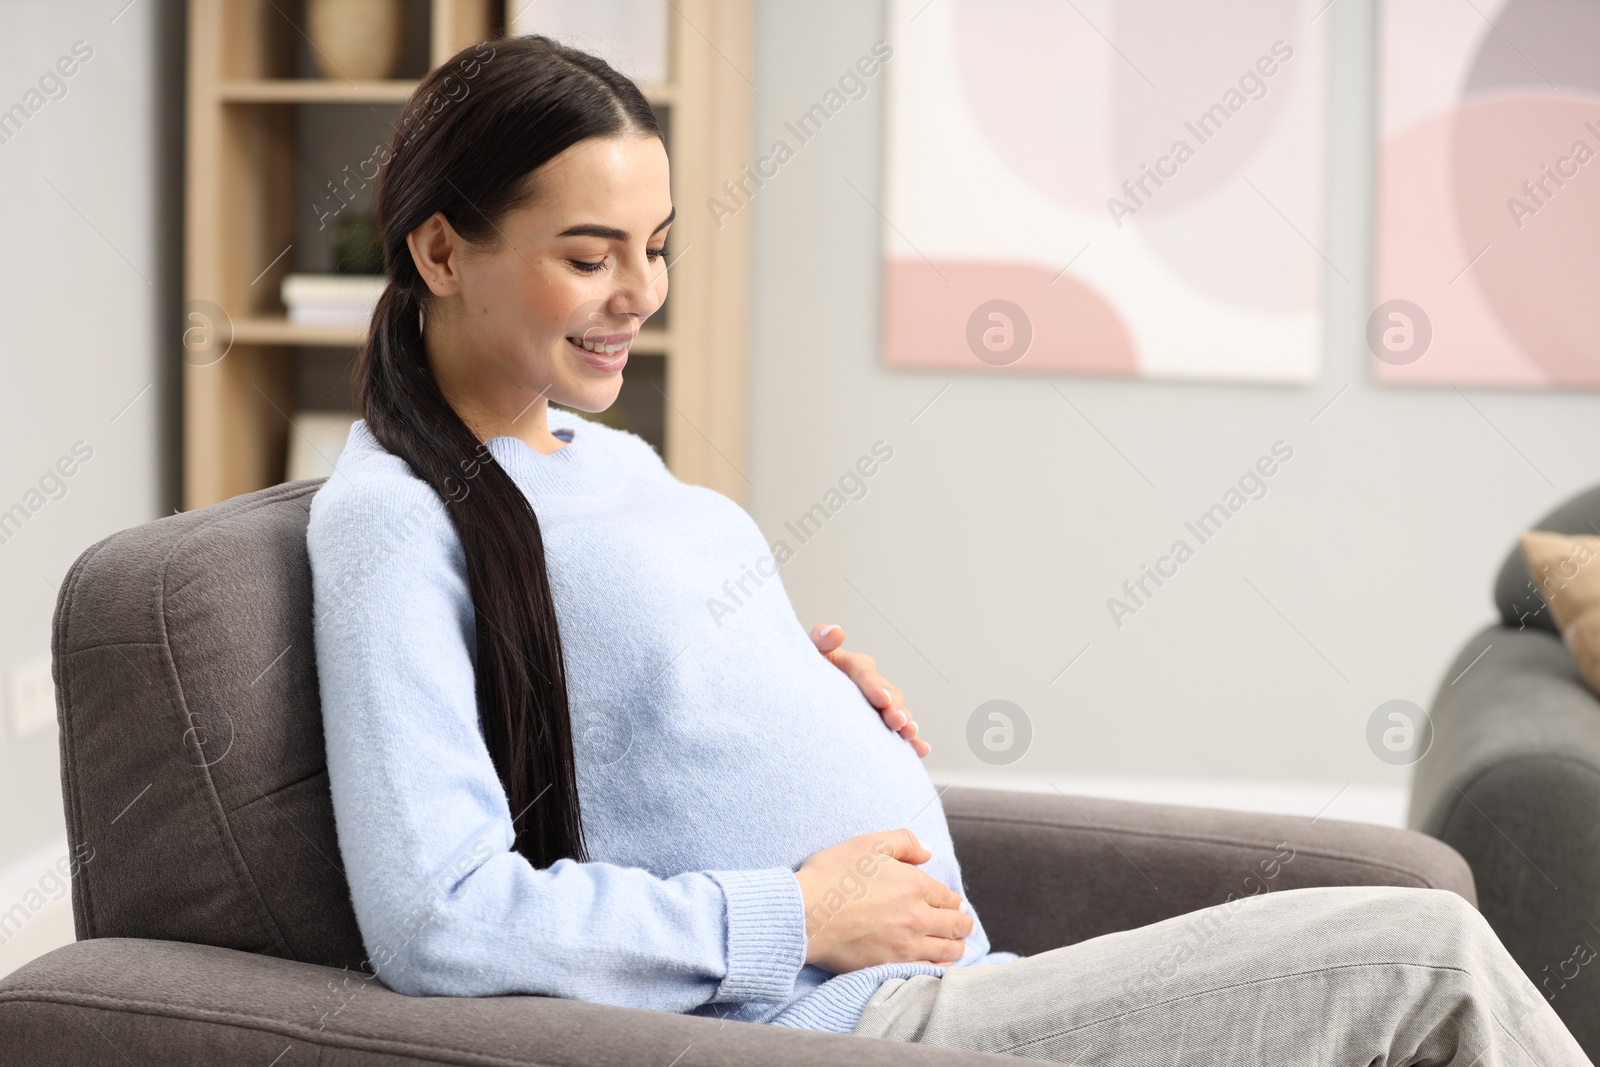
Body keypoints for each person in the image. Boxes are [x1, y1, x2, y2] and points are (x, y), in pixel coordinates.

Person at [305, 34, 1591, 1065]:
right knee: (1431, 960)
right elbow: (439, 916)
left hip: (961, 981)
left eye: (655, 248)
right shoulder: (392, 521)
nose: (640, 293)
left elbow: (604, 713)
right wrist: (795, 913)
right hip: (850, 1023)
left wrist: (790, 680)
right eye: (589, 256)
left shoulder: (596, 459)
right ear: (438, 249)